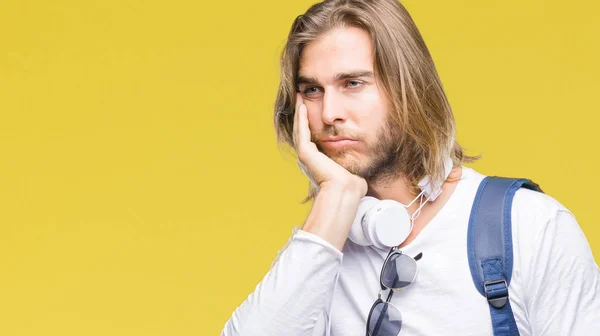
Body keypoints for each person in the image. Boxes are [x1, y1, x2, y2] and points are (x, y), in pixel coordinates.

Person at [220, 0, 600, 335]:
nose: (328, 113)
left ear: (409, 89)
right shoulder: (321, 249)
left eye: (353, 83)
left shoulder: (530, 227)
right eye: (312, 90)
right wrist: (334, 201)